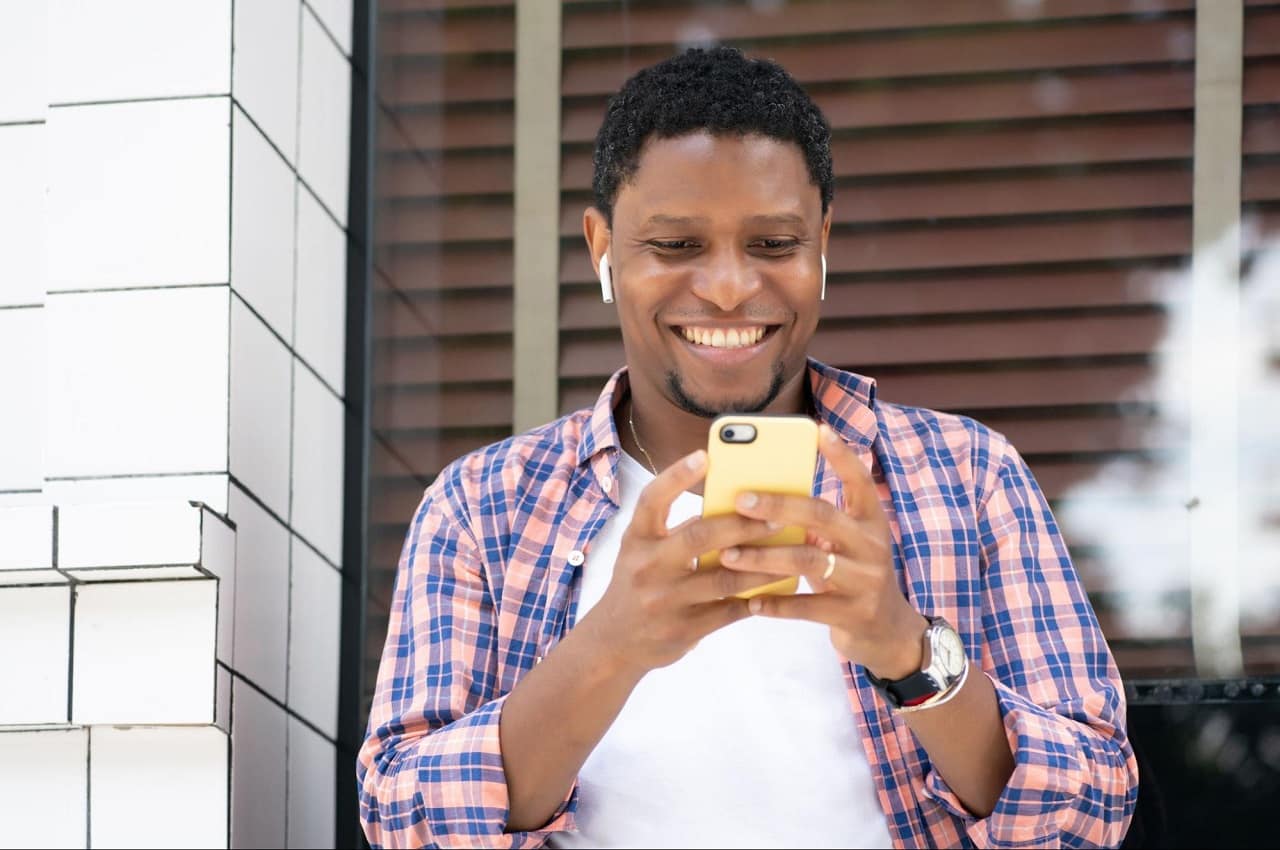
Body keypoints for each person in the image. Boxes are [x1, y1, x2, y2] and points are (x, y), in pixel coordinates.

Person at [357, 46, 1139, 849]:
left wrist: (909, 652)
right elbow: (402, 822)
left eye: (772, 244)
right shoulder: (481, 506)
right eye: (676, 246)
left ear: (822, 244)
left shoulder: (968, 475)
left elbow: (1093, 810)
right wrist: (611, 645)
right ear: (601, 250)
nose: (729, 287)